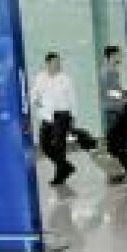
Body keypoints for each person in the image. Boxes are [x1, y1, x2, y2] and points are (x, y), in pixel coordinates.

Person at [31, 51, 78, 185]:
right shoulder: (40, 77)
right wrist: (37, 102)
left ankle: (60, 175)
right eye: (55, 62)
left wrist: (73, 116)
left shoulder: (66, 79)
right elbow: (34, 94)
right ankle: (66, 166)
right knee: (44, 144)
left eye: (59, 62)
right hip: (47, 115)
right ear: (48, 63)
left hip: (62, 115)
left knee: (59, 146)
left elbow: (73, 99)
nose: (58, 64)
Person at [100, 46, 127, 183]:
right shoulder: (109, 71)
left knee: (117, 143)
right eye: (118, 55)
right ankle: (124, 172)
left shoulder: (110, 70)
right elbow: (109, 92)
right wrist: (124, 97)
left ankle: (122, 172)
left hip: (114, 109)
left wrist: (124, 94)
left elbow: (114, 89)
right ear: (111, 56)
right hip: (114, 111)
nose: (120, 57)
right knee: (118, 143)